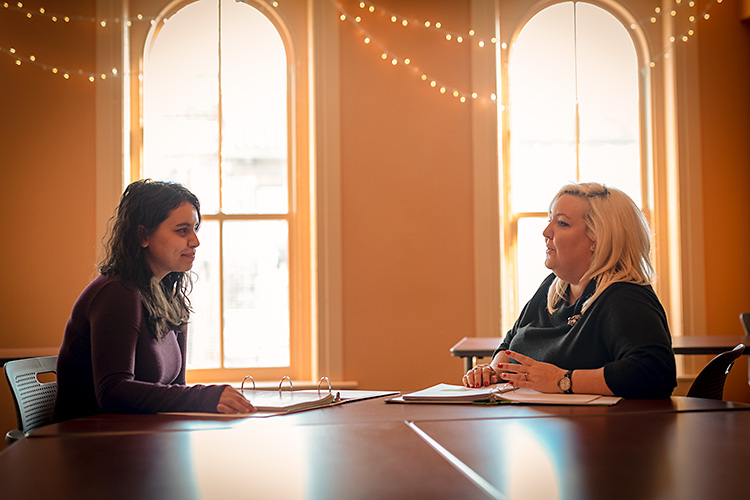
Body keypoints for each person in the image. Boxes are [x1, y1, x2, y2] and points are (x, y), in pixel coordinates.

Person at [54, 179, 256, 422]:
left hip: (139, 438)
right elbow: (112, 392)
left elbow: (176, 388)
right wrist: (204, 397)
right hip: (91, 446)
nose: (195, 241)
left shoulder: (170, 298)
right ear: (143, 236)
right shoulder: (116, 293)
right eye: (182, 230)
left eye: (195, 229)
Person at [463, 182, 676, 398]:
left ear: (597, 239)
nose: (546, 232)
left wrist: (562, 380)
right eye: (550, 221)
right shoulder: (552, 288)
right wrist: (493, 371)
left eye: (562, 223)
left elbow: (654, 373)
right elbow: (511, 343)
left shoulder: (624, 296)